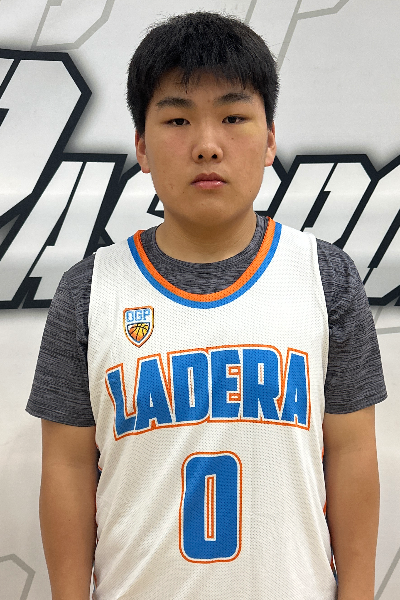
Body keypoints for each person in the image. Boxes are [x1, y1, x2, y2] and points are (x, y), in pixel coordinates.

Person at [26, 11, 387, 600]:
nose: (207, 146)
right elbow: (66, 466)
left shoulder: (325, 277)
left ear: (270, 139)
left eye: (233, 117)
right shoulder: (88, 290)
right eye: (177, 119)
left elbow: (351, 453)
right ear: (142, 146)